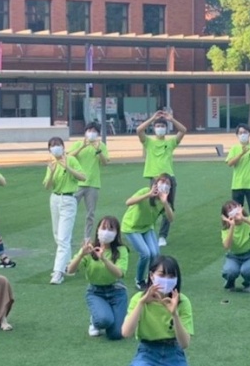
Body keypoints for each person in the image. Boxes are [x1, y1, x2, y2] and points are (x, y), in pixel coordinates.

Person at [121, 256, 195, 366]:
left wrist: (174, 314)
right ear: (151, 275)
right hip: (148, 351)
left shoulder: (182, 302)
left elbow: (184, 343)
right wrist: (142, 303)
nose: (166, 280)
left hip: (173, 353)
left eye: (171, 276)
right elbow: (126, 332)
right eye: (162, 275)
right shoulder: (139, 299)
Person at [66, 215, 129, 340]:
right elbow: (70, 270)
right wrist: (81, 255)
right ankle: (95, 321)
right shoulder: (89, 249)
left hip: (117, 292)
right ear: (97, 230)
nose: (106, 232)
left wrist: (104, 259)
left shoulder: (121, 250)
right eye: (103, 228)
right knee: (104, 320)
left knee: (116, 334)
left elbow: (119, 274)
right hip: (96, 292)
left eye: (111, 229)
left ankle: (114, 315)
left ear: (116, 233)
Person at [135, 110, 186, 247]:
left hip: (169, 178)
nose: (160, 128)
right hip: (154, 178)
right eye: (158, 126)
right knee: (152, 206)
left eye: (162, 126)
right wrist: (152, 118)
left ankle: (163, 236)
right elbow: (139, 130)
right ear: (154, 128)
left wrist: (171, 119)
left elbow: (183, 130)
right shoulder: (149, 142)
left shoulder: (170, 143)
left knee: (167, 206)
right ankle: (148, 230)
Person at [43, 136, 87, 285]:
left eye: (58, 144)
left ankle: (58, 272)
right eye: (52, 145)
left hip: (68, 199)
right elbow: (47, 186)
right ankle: (68, 265)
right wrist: (51, 171)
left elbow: (83, 177)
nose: (55, 147)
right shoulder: (51, 164)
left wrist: (68, 167)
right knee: (57, 235)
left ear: (63, 147)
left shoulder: (71, 160)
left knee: (63, 238)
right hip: (55, 198)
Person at [121, 175, 176, 289]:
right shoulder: (145, 191)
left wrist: (165, 203)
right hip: (131, 226)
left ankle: (151, 278)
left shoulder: (164, 201)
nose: (164, 185)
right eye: (162, 181)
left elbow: (171, 219)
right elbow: (128, 202)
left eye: (167, 183)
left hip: (146, 227)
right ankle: (139, 280)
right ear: (156, 183)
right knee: (145, 254)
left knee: (155, 253)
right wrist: (148, 195)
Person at [69, 122, 110, 242]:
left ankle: (87, 237)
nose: (92, 133)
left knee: (90, 213)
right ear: (85, 132)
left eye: (94, 131)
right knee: (70, 211)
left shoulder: (101, 145)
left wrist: (98, 151)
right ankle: (68, 235)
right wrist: (82, 147)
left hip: (93, 184)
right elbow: (69, 157)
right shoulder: (77, 144)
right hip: (77, 183)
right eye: (89, 130)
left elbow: (105, 163)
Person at [221, 199, 250, 292]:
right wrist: (232, 226)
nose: (233, 211)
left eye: (234, 207)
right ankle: (230, 282)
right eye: (229, 210)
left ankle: (249, 282)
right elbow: (227, 246)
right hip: (233, 256)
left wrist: (244, 219)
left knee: (247, 270)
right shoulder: (226, 228)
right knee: (230, 271)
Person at [226, 123, 250, 222]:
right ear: (237, 135)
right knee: (236, 211)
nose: (243, 135)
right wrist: (241, 154)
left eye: (245, 132)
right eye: (240, 133)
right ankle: (237, 229)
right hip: (238, 184)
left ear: (249, 134)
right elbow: (230, 163)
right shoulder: (234, 148)